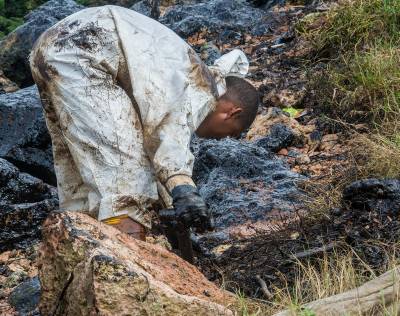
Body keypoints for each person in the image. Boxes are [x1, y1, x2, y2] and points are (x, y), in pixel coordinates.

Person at [29, 5, 259, 240]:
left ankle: (80, 246)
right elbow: (169, 136)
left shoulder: (183, 70)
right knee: (127, 183)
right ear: (231, 113)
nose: (220, 139)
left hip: (53, 44)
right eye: (229, 133)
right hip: (86, 50)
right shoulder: (199, 89)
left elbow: (149, 146)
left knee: (78, 179)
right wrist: (184, 188)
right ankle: (124, 265)